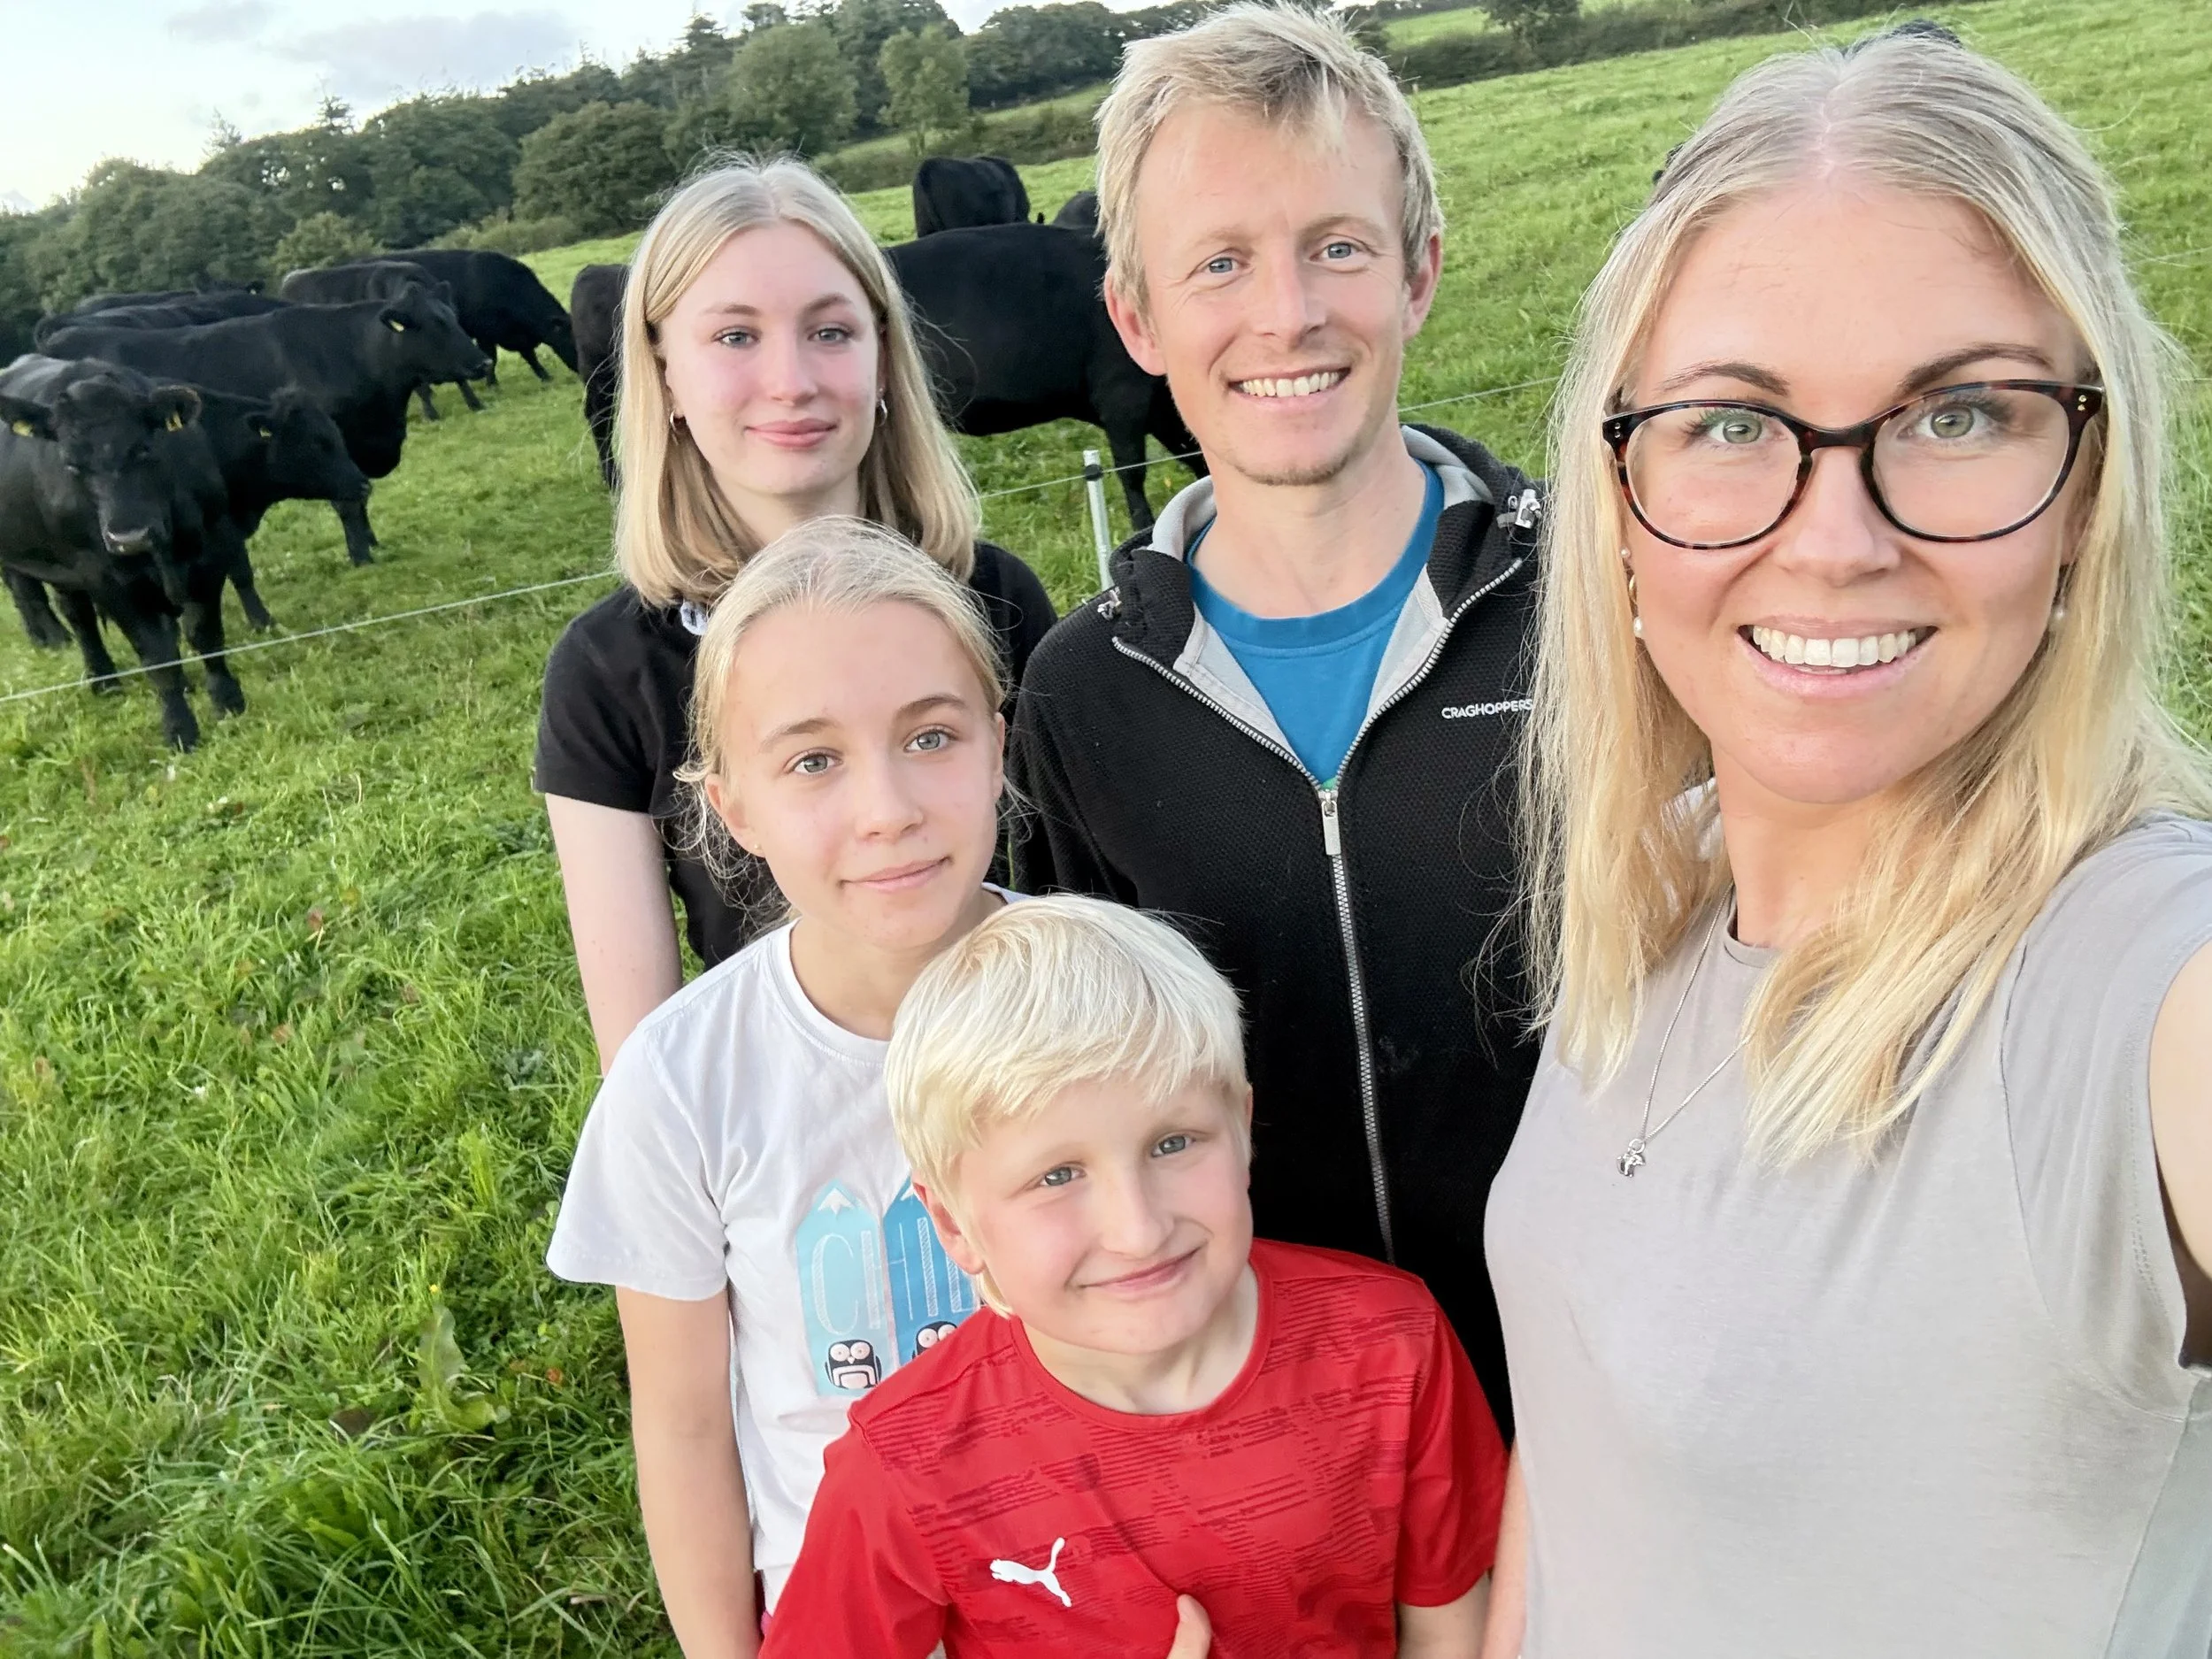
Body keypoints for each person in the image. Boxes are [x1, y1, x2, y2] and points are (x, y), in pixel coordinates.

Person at [1485, 27, 2212, 1658]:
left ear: (2091, 484)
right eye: (1733, 426)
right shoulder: (1666, 891)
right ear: (1620, 493)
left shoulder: (2131, 978)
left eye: (1960, 415)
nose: (1837, 541)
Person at [1007, 2, 1546, 1432]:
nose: (1287, 313)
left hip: (1605, 1403)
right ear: (1138, 317)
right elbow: (1071, 1099)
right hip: (1283, 1442)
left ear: (1420, 271)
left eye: (1339, 247)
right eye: (1221, 264)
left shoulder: (1599, 612)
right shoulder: (1083, 698)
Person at [764, 895, 1508, 1657]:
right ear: (954, 1223)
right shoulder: (905, 1465)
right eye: (1057, 1176)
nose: (1139, 1228)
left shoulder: (1390, 1344)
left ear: (1243, 1130)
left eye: (1173, 1143)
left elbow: (1452, 1623)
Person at [544, 520, 1019, 1655]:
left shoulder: (1117, 1003)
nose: (886, 809)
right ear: (733, 807)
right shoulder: (682, 1081)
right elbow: (684, 1424)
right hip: (851, 1615)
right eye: (814, 760)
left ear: (999, 746)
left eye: (932, 736)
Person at [535, 157, 1056, 1070]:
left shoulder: (999, 601)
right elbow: (644, 1056)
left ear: (883, 354)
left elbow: (1073, 904)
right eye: (735, 337)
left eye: (830, 331)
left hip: (1024, 1092)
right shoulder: (607, 671)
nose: (791, 380)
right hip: (782, 1145)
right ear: (664, 373)